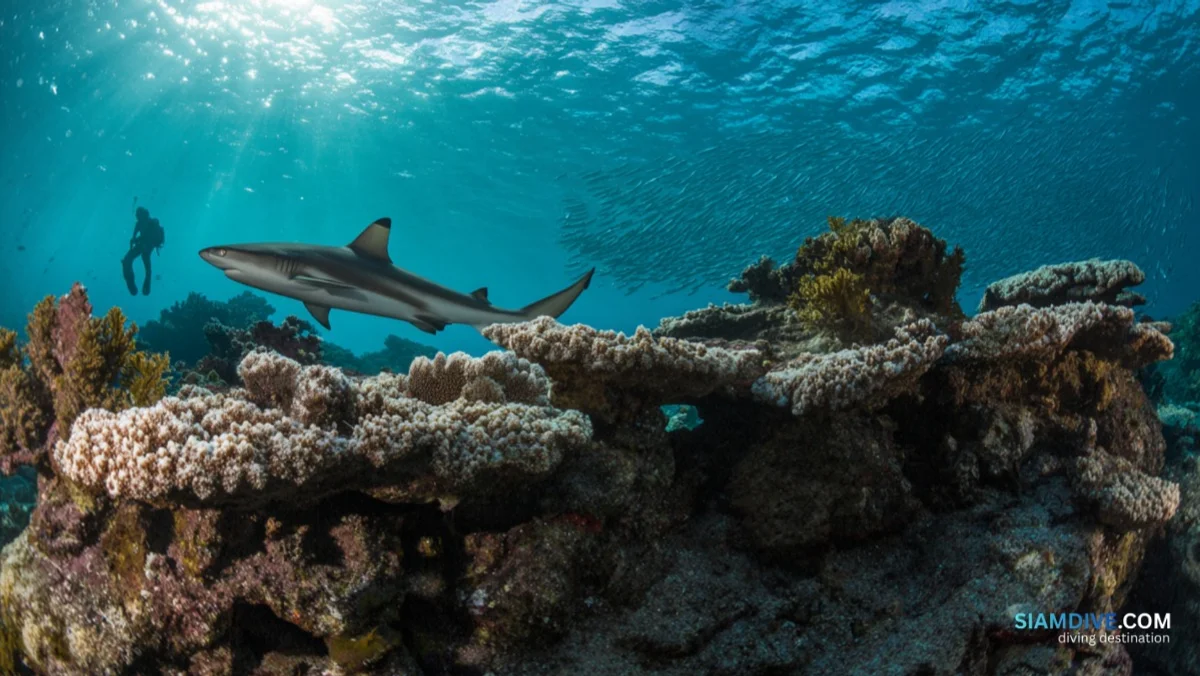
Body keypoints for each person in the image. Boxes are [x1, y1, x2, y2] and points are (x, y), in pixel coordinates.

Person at [122, 206, 165, 296]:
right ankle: (132, 282)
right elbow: (134, 237)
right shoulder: (138, 224)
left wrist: (136, 240)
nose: (138, 218)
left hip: (149, 244)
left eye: (139, 215)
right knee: (127, 260)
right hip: (142, 244)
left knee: (144, 257)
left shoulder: (153, 223)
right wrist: (134, 240)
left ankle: (146, 279)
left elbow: (150, 237)